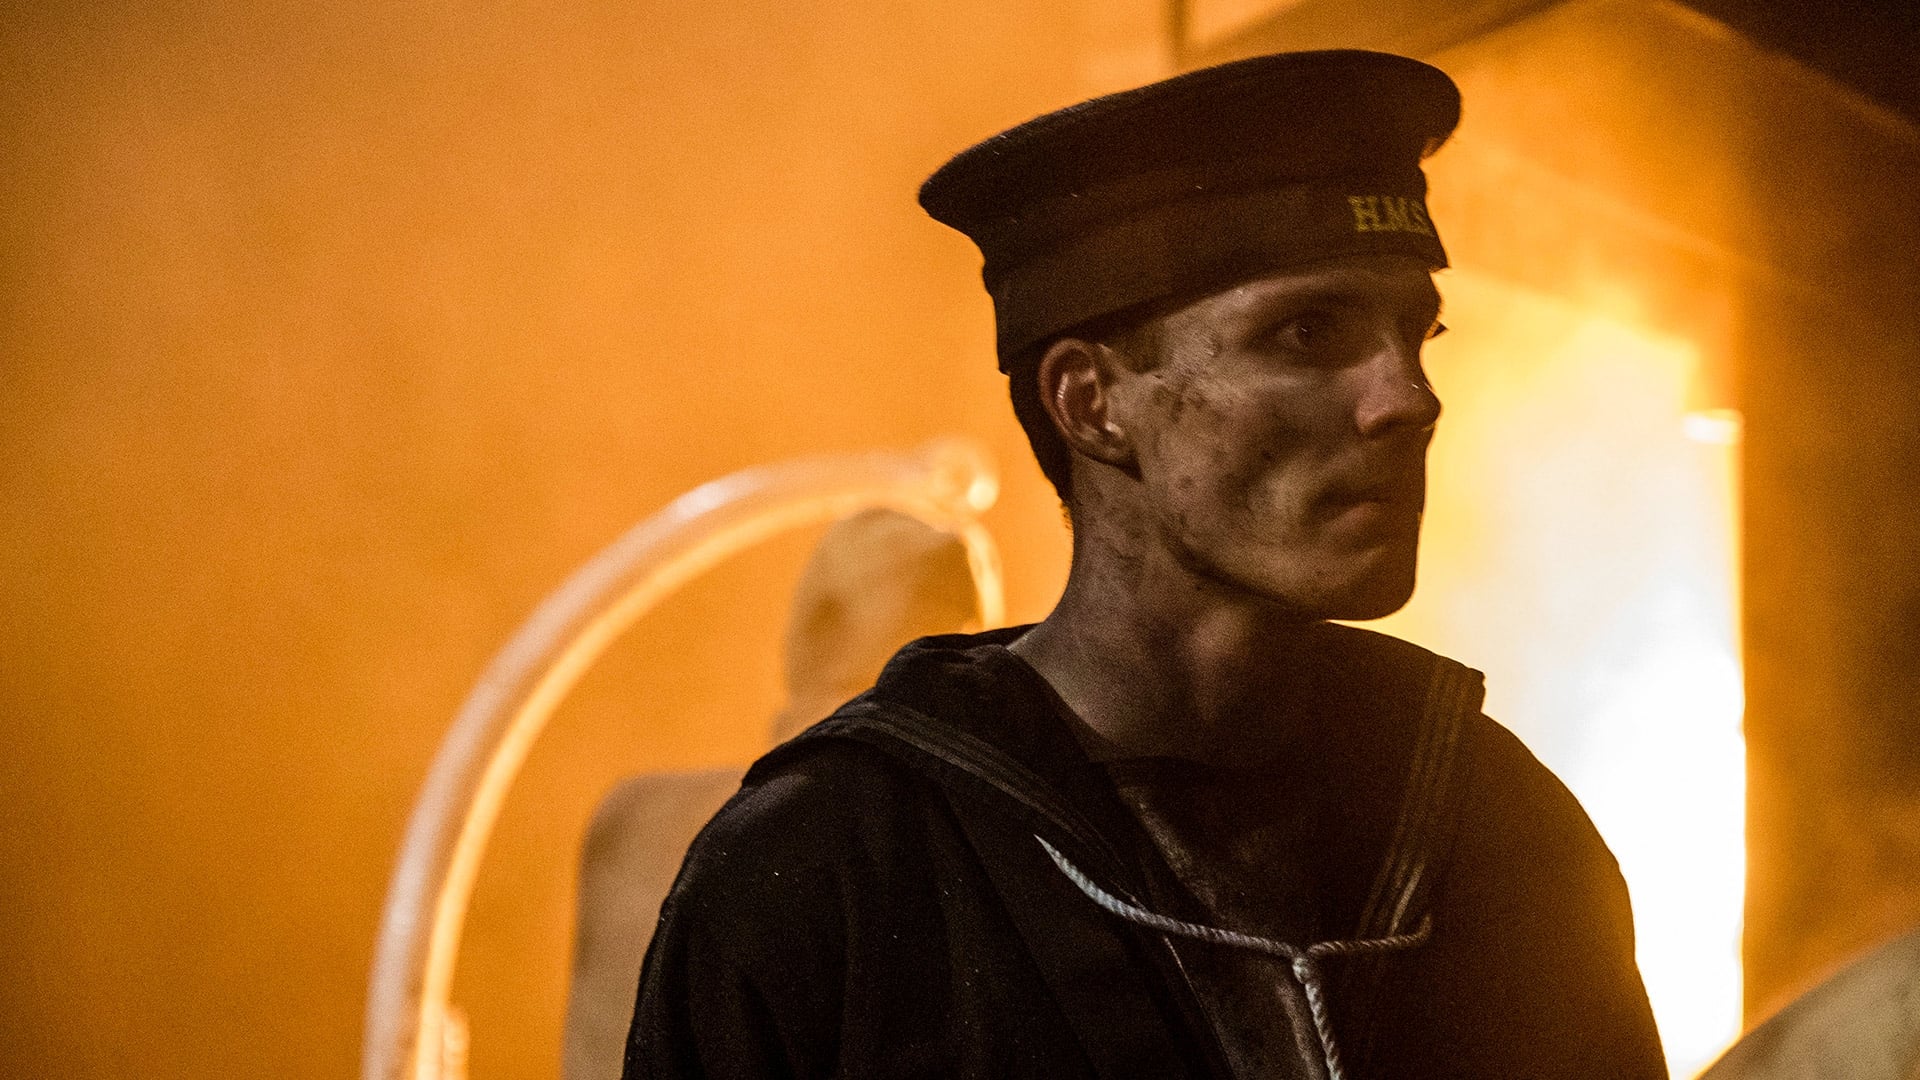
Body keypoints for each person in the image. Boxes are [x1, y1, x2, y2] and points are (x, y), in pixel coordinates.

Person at [625, 49, 1667, 1080]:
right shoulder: (831, 873)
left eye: (1415, 331)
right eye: (1308, 333)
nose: (1409, 398)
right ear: (1091, 403)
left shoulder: (1498, 828)